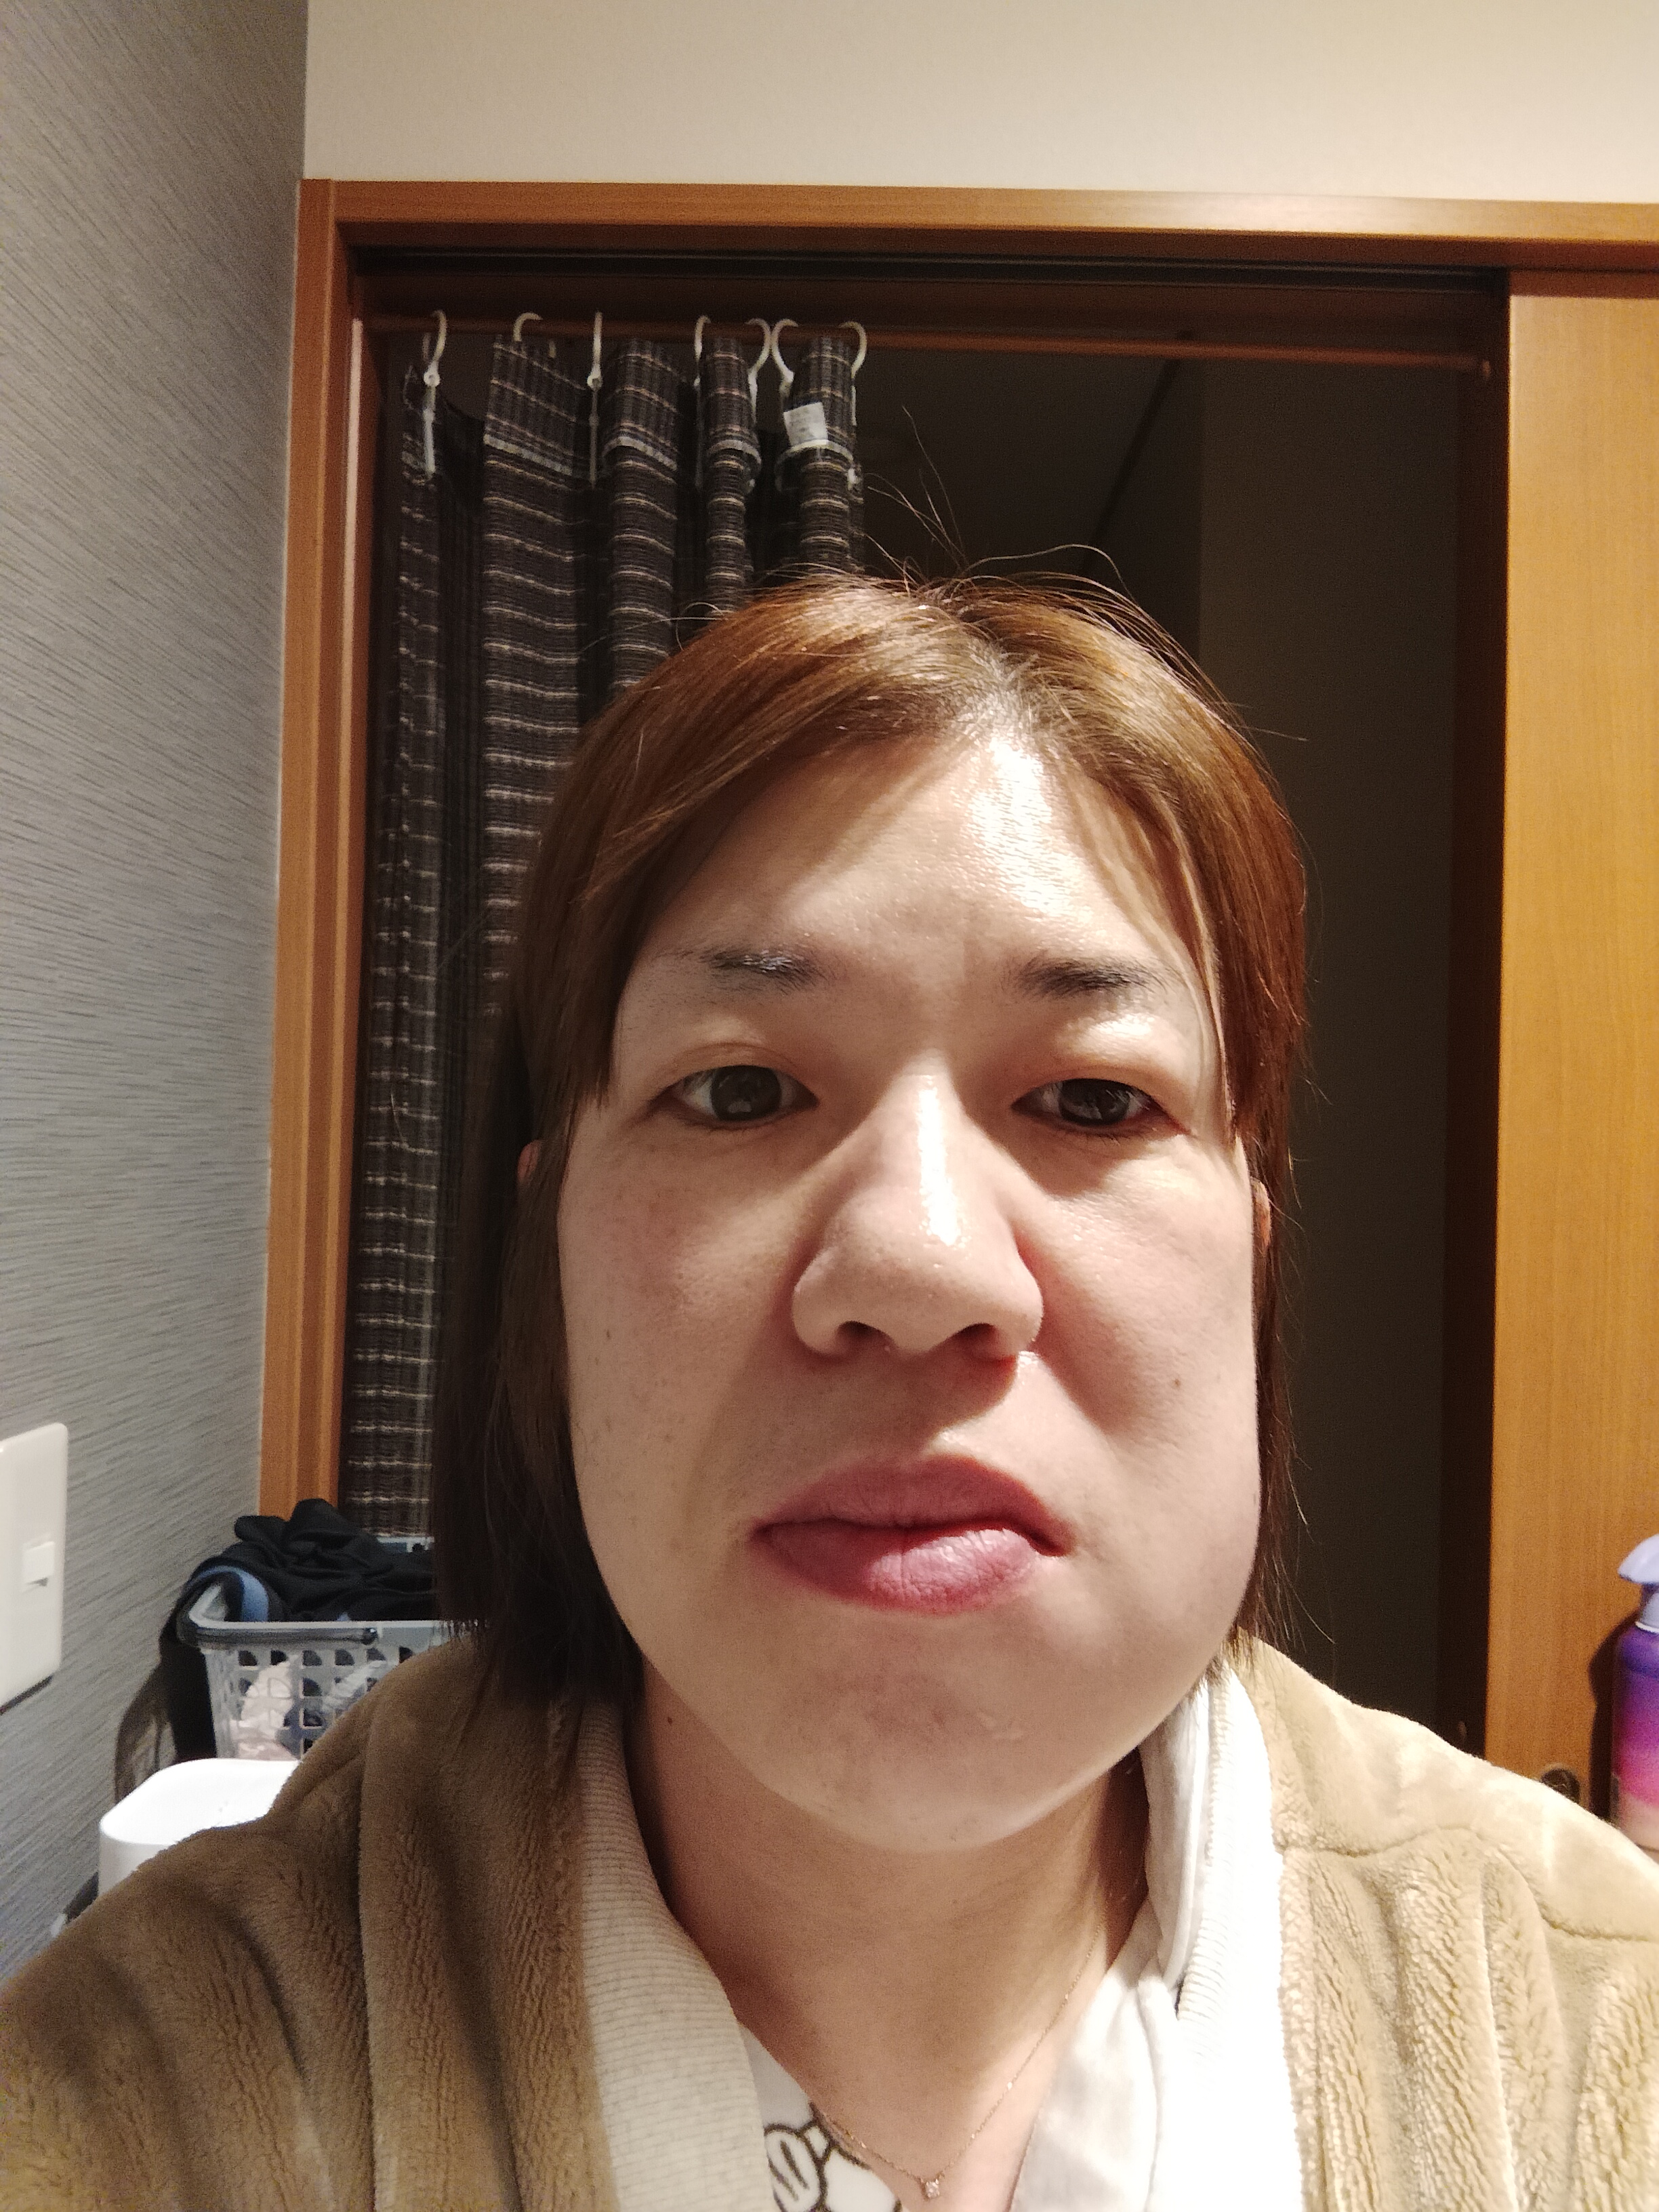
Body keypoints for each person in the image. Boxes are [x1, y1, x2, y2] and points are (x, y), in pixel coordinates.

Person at [3, 578, 1656, 2211]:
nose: (920, 1261)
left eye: (1093, 1100)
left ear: (1253, 1258)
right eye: (738, 1090)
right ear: (551, 1254)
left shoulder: (1604, 2028)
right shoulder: (132, 2105)